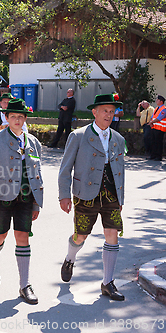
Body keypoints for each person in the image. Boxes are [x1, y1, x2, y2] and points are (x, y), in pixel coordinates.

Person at [59, 94, 126, 301]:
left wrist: (121, 199)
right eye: (104, 110)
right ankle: (70, 258)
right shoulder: (78, 136)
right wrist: (64, 195)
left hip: (111, 193)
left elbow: (120, 170)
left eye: (111, 111)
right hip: (86, 193)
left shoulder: (118, 138)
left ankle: (107, 282)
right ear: (94, 112)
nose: (108, 114)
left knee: (112, 233)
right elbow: (65, 168)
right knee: (81, 235)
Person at [0, 98, 43, 304]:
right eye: (13, 117)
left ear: (25, 119)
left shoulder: (33, 142)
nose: (17, 120)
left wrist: (36, 203)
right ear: (6, 118)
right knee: (0, 235)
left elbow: (37, 174)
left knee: (23, 237)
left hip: (26, 197)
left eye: (21, 117)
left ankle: (24, 285)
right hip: (2, 197)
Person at [147, 95, 166, 161]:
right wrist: (151, 122)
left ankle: (158, 156)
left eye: (157, 100)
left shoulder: (163, 109)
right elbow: (153, 117)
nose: (156, 101)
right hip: (154, 128)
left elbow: (159, 118)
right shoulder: (156, 108)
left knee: (158, 143)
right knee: (153, 142)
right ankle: (153, 155)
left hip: (160, 129)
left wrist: (151, 122)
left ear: (161, 101)